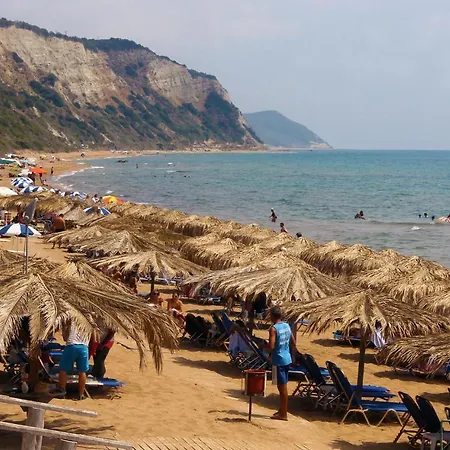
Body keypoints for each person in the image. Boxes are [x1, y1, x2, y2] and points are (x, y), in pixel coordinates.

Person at [262, 306, 296, 421]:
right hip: (287, 358)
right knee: (282, 385)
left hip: (278, 360)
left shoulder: (273, 329)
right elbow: (293, 342)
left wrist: (263, 346)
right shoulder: (287, 326)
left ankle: (284, 414)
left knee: (282, 388)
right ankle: (281, 410)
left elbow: (271, 346)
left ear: (272, 316)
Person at [58, 321, 90, 400]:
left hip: (71, 345)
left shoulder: (71, 320)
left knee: (63, 370)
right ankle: (81, 394)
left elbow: (65, 338)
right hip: (84, 347)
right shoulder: (88, 321)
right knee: (82, 371)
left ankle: (62, 392)